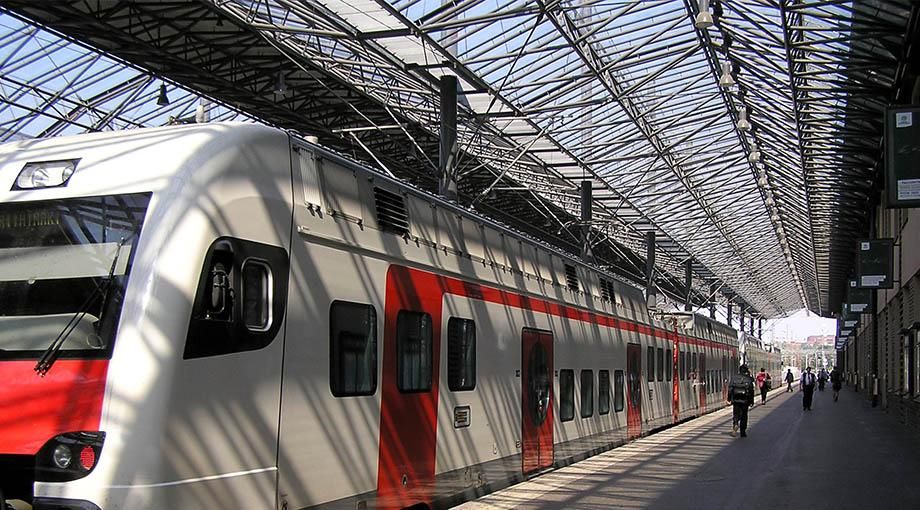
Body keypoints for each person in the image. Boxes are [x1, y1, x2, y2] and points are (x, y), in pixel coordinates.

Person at [728, 364, 755, 437]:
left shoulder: (734, 378)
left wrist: (729, 399)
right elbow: (751, 391)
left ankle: (735, 424)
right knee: (744, 415)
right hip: (745, 400)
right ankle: (743, 431)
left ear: (739, 370)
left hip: (736, 400)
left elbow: (730, 389)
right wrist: (751, 401)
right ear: (746, 371)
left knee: (736, 414)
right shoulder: (748, 379)